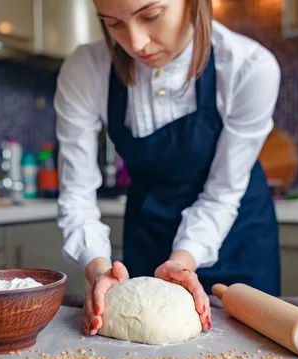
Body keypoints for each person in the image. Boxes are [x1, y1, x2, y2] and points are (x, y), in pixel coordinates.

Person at [53, 0, 281, 336]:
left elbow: (222, 193)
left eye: (150, 16)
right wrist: (100, 270)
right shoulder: (86, 69)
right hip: (149, 231)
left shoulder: (249, 68)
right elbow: (76, 194)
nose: (135, 43)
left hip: (238, 235)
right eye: (113, 23)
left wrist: (183, 262)